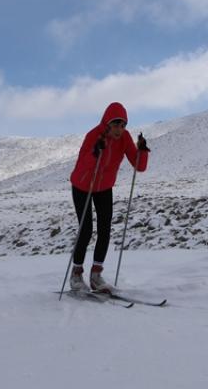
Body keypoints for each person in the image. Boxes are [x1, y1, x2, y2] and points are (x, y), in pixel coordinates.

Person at [68, 101, 149, 293]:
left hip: (104, 187)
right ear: (107, 123)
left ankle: (96, 275)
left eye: (123, 125)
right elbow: (84, 163)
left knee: (105, 229)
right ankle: (76, 274)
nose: (119, 129)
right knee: (86, 229)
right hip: (82, 186)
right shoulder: (93, 135)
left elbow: (139, 166)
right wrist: (96, 152)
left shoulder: (125, 138)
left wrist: (142, 151)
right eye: (115, 124)